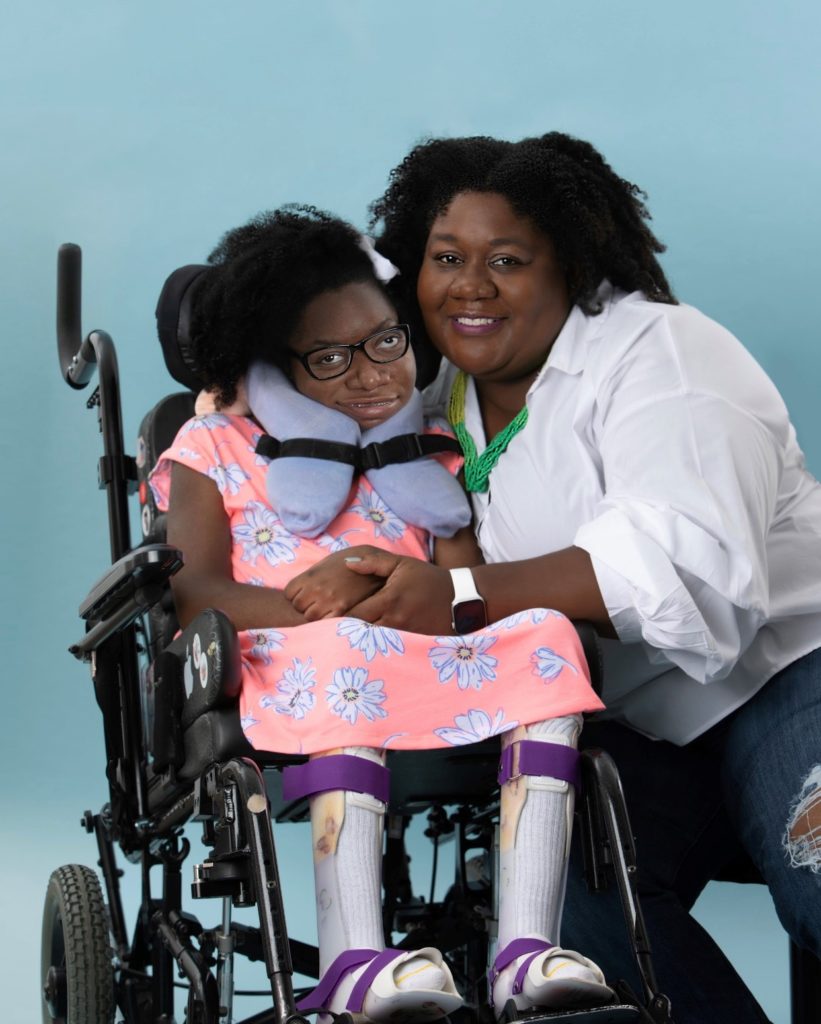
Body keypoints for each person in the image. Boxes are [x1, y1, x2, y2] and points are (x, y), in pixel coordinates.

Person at [285, 134, 821, 1023]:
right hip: (644, 729)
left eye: (507, 260)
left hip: (786, 671)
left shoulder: (664, 353)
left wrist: (459, 599)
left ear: (570, 265)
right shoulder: (428, 410)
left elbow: (686, 568)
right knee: (553, 926)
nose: (471, 286)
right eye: (445, 258)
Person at [149, 206, 613, 1022]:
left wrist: (409, 595)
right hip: (282, 656)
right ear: (269, 364)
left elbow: (464, 583)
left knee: (542, 633)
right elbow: (195, 596)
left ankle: (524, 951)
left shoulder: (426, 445)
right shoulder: (212, 447)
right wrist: (328, 610)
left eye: (387, 342)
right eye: (332, 358)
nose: (373, 376)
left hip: (413, 648)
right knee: (343, 649)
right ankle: (352, 958)